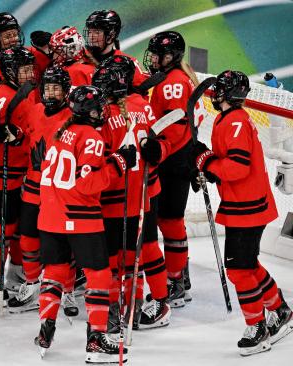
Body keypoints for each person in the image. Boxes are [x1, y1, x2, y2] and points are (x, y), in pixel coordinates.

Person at [190, 70, 292, 356]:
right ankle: (280, 310)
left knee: (238, 268)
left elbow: (236, 167)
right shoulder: (228, 118)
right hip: (244, 205)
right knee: (246, 265)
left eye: (221, 89)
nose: (216, 94)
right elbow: (229, 163)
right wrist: (208, 161)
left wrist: (207, 162)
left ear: (231, 93)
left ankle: (257, 328)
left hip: (248, 208)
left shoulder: (235, 120)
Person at [35, 85, 133, 362]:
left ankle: (46, 329)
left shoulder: (60, 131)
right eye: (99, 107)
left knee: (54, 272)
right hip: (80, 217)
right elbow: (89, 183)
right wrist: (118, 164)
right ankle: (97, 340)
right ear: (90, 111)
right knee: (99, 275)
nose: (102, 111)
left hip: (50, 215)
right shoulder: (90, 136)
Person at [91, 55, 171, 333]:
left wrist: (158, 150)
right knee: (120, 255)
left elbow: (163, 143)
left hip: (141, 192)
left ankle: (157, 302)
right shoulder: (103, 111)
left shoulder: (140, 106)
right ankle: (123, 303)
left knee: (143, 249)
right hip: (116, 193)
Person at [9, 67, 76, 316]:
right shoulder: (35, 110)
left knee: (62, 243)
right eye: (47, 88)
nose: (51, 93)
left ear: (66, 91)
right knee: (27, 237)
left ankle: (66, 290)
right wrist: (13, 135)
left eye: (56, 88)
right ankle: (32, 282)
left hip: (59, 191)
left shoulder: (73, 116)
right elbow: (26, 135)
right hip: (33, 186)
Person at [144, 31, 200, 307]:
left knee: (169, 220)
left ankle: (176, 279)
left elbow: (177, 124)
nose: (153, 58)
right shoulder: (174, 77)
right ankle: (179, 275)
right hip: (176, 157)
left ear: (171, 56)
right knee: (167, 219)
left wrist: (161, 149)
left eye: (158, 54)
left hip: (174, 158)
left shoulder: (175, 82)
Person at [0, 46, 38, 304]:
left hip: (17, 170)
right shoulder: (3, 95)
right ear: (10, 71)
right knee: (2, 229)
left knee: (14, 228)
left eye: (29, 69)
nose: (28, 74)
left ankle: (12, 272)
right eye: (23, 70)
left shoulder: (22, 92)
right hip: (0, 173)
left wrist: (17, 137)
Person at [0, 13, 50, 90]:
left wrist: (48, 48)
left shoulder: (32, 53)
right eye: (7, 36)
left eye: (15, 34)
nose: (13, 39)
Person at [82, 10, 148, 88]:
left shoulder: (129, 63)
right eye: (89, 32)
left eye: (96, 32)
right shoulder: (80, 60)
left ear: (111, 35)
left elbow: (141, 95)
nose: (91, 37)